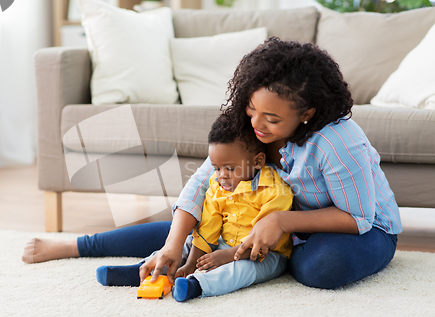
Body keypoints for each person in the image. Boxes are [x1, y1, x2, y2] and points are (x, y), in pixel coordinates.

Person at [22, 37, 402, 290]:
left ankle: (272, 256)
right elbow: (201, 185)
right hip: (262, 222)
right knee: (190, 231)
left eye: (271, 118)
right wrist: (175, 246)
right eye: (252, 109)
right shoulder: (248, 128)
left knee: (320, 269)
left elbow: (359, 217)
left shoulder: (338, 142)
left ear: (308, 113)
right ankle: (76, 245)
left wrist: (280, 222)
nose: (256, 124)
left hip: (360, 230)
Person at [171, 114, 293, 302]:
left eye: (230, 168)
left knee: (241, 270)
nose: (222, 176)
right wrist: (190, 263)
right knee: (189, 243)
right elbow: (208, 226)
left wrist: (227, 256)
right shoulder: (216, 185)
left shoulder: (275, 190)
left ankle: (197, 285)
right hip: (224, 243)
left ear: (258, 161)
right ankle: (150, 268)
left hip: (266, 255)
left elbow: (263, 240)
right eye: (216, 168)